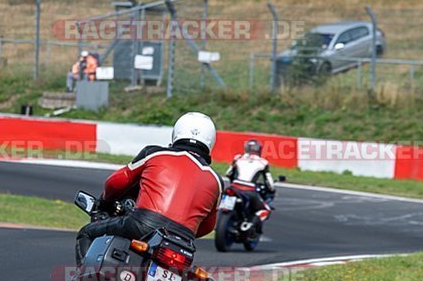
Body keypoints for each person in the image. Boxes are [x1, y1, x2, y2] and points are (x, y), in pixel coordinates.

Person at [73, 112, 223, 266]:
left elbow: (116, 182)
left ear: (177, 132)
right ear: (211, 142)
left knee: (86, 233)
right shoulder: (216, 180)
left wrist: (104, 202)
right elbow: (208, 226)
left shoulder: (155, 153)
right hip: (183, 243)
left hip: (143, 223)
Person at [225, 139, 275, 233]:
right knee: (266, 210)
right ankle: (249, 225)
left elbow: (228, 173)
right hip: (249, 190)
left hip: (233, 188)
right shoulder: (263, 162)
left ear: (246, 148)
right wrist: (272, 190)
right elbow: (269, 181)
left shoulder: (238, 158)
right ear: (259, 149)